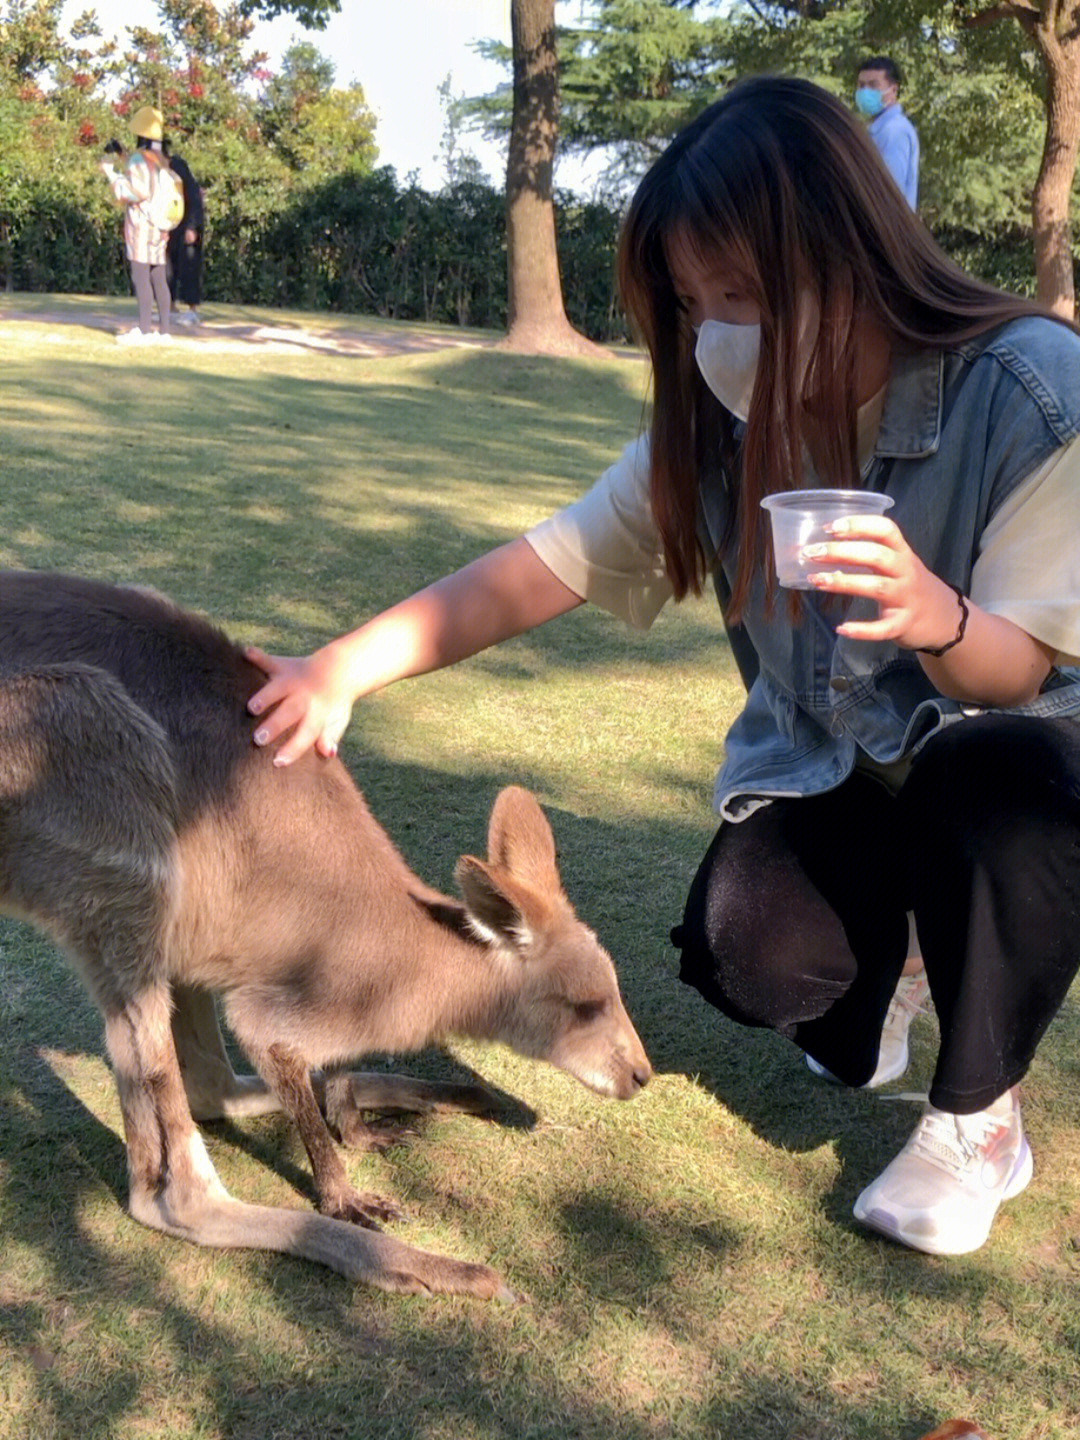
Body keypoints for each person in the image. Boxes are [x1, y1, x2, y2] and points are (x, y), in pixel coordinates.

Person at [246, 77, 1080, 1258]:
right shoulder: (717, 422)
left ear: (850, 252)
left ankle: (978, 1120)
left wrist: (937, 614)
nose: (714, 332)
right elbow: (535, 571)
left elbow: (1021, 671)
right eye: (692, 302)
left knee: (986, 778)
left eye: (741, 292)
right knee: (751, 951)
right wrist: (342, 668)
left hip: (1023, 756)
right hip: (858, 774)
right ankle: (900, 959)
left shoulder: (1031, 383)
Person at [100, 105, 175, 344]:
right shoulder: (161, 160)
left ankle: (144, 330)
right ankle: (164, 331)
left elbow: (135, 190)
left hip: (141, 226)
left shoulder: (138, 159)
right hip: (160, 227)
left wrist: (111, 174)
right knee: (158, 278)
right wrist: (123, 155)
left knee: (140, 277)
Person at [855, 56, 919, 209]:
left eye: (873, 85)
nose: (865, 92)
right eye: (861, 85)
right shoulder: (877, 129)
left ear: (893, 89)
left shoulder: (894, 132)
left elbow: (889, 195)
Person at [165, 149, 204, 326]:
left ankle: (192, 309)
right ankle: (170, 306)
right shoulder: (158, 173)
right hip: (170, 226)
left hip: (188, 223)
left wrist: (192, 227)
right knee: (167, 268)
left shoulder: (179, 168)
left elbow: (195, 199)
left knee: (189, 266)